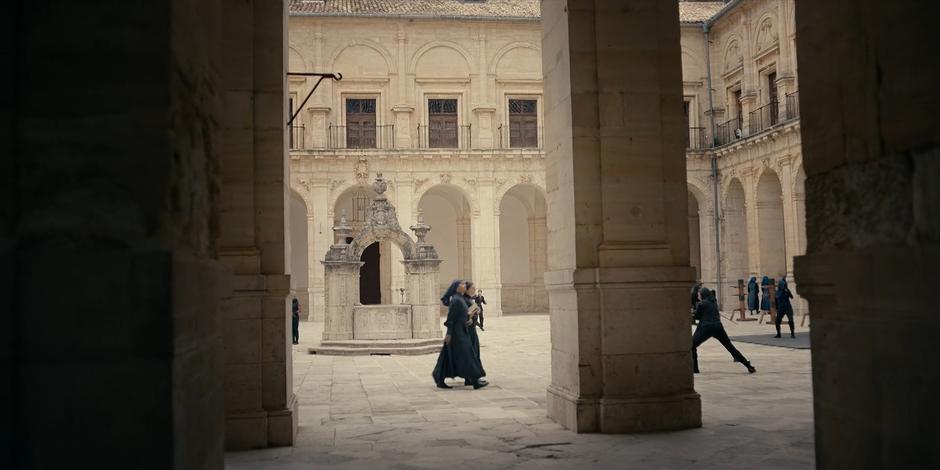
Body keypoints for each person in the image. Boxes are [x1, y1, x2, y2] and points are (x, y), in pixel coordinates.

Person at [432, 280, 487, 389]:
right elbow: (451, 318)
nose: (464, 286)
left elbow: (462, 315)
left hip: (461, 331)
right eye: (461, 284)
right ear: (456, 287)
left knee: (448, 356)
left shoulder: (460, 299)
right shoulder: (456, 300)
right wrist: (449, 333)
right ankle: (475, 380)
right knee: (468, 356)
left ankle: (439, 377)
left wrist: (469, 317)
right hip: (457, 333)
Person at [692, 287, 756, 374]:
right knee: (730, 347)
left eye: (699, 295)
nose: (698, 296)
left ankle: (695, 369)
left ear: (702, 294)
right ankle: (748, 366)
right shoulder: (713, 302)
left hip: (706, 328)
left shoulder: (701, 304)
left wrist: (694, 312)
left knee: (692, 345)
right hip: (718, 327)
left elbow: (697, 317)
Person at [463, 282, 486, 386]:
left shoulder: (468, 299)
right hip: (468, 332)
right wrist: (472, 313)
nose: (474, 291)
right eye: (472, 289)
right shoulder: (464, 300)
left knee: (471, 355)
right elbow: (465, 316)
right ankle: (474, 379)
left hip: (471, 331)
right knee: (472, 354)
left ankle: (469, 379)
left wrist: (476, 310)